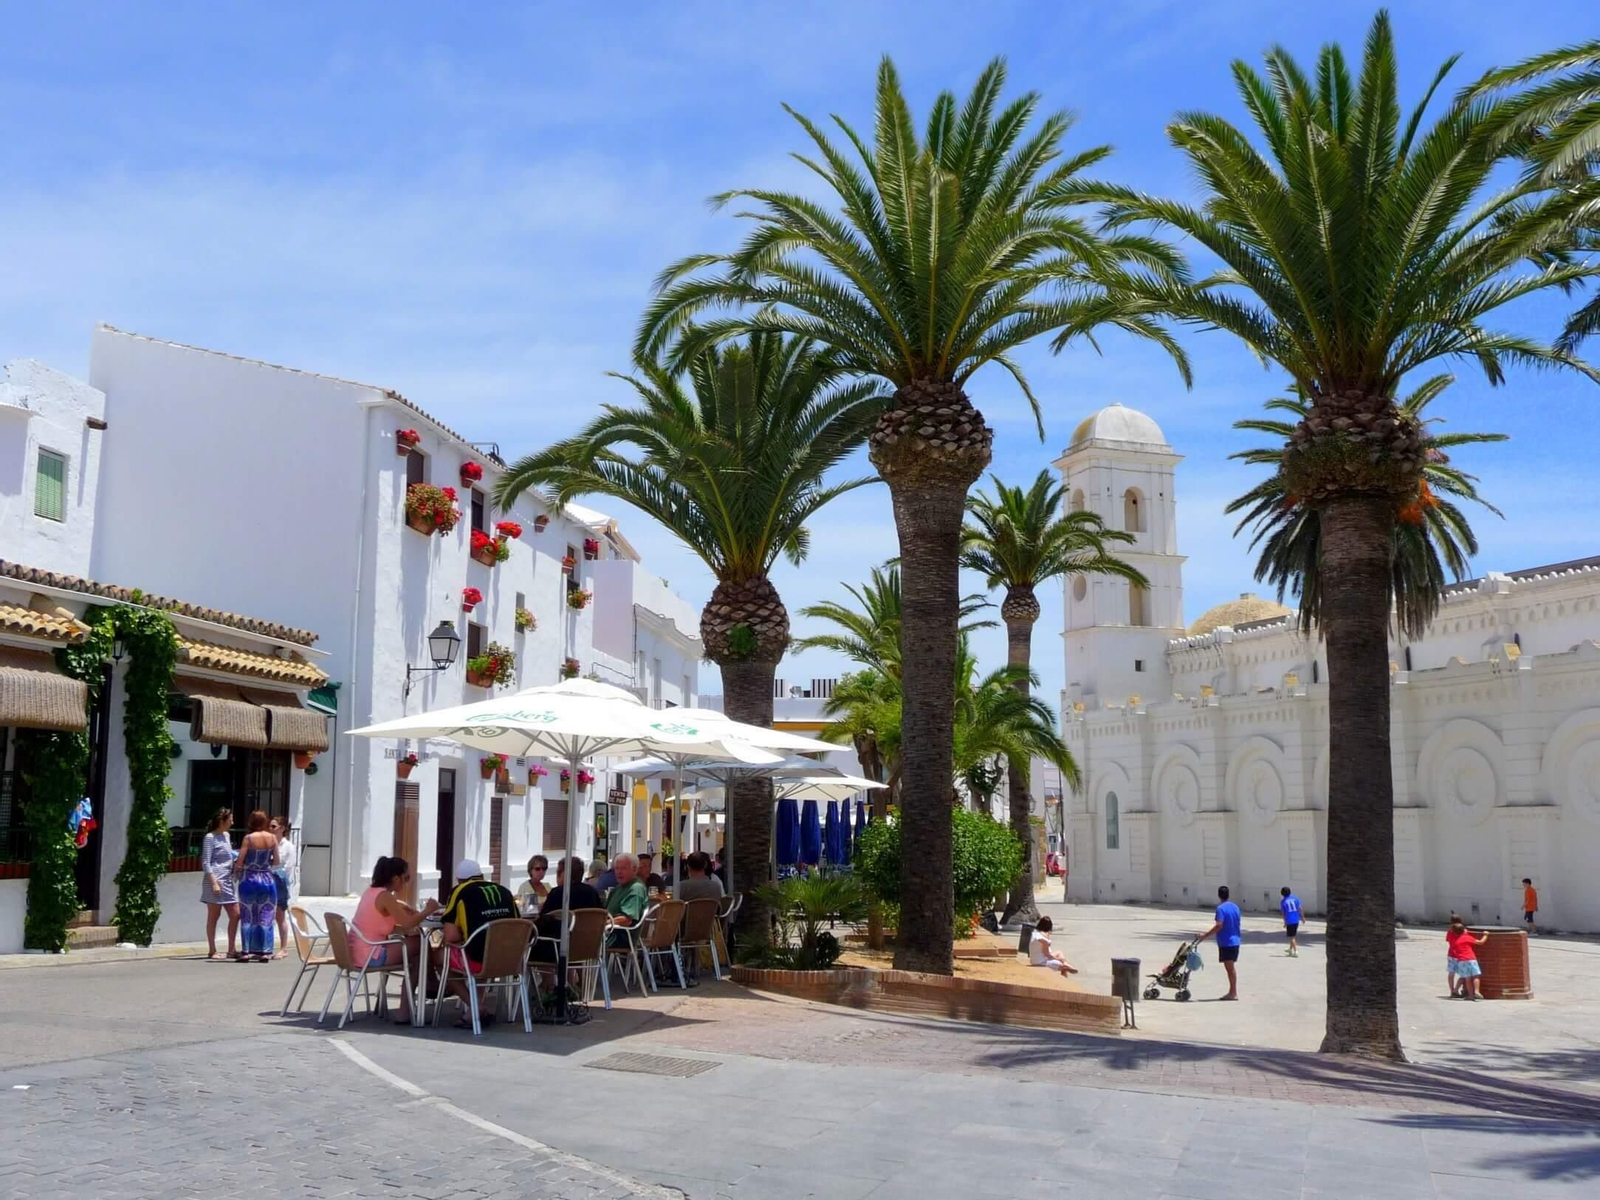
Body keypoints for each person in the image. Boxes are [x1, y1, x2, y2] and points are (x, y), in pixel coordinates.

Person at [350, 856, 439, 1024]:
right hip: (371, 954)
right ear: (395, 878)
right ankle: (429, 985)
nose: (406, 883)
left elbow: (390, 920)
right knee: (421, 943)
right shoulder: (385, 897)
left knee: (417, 955)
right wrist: (428, 911)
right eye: (406, 878)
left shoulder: (371, 892)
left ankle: (409, 1005)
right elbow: (406, 923)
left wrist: (403, 907)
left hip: (358, 952)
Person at [439, 859, 520, 1021]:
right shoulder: (504, 891)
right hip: (511, 960)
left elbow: (451, 937)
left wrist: (466, 933)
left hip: (479, 960)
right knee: (482, 948)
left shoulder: (459, 891)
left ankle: (476, 1006)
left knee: (442, 957)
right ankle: (473, 1011)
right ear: (481, 876)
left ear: (459, 880)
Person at [233, 811, 280, 962]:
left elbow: (240, 861)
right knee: (266, 916)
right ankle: (265, 951)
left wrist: (237, 872)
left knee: (247, 915)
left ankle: (246, 951)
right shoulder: (272, 838)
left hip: (249, 878)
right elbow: (277, 861)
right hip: (266, 879)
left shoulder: (248, 838)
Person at [200, 808, 240, 960]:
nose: (232, 822)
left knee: (236, 914)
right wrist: (214, 882)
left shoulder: (226, 835)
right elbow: (206, 862)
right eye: (230, 819)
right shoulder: (210, 837)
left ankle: (232, 948)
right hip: (215, 880)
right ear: (222, 821)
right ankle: (212, 950)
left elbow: (228, 856)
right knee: (214, 916)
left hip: (228, 879)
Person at [1198, 885, 1242, 1000]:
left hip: (1226, 942)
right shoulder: (1235, 907)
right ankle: (1232, 992)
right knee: (1231, 968)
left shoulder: (1220, 909)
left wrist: (1205, 936)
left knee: (1230, 968)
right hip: (1236, 940)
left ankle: (1233, 993)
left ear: (1219, 895)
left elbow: (1219, 925)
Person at [269, 816, 299, 959]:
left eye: (273, 826)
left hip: (279, 881)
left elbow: (288, 866)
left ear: (282, 829)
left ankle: (283, 947)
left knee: (280, 915)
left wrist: (277, 874)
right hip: (268, 879)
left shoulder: (288, 846)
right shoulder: (269, 843)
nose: (270, 829)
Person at [604, 852, 649, 945]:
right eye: (617, 868)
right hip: (609, 932)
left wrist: (602, 924)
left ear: (635, 870)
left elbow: (627, 920)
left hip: (620, 936)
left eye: (624, 868)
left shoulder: (636, 888)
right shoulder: (618, 888)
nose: (619, 872)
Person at [1447, 916, 1490, 1000]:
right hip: (1471, 959)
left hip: (1461, 961)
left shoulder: (1455, 942)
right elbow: (1480, 942)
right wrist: (1486, 935)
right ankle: (1477, 991)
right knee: (1476, 976)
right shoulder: (1467, 937)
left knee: (1466, 978)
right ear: (1464, 930)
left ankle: (1469, 995)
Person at [1279, 886, 1303, 957]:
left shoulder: (1283, 901)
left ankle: (1296, 951)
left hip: (1290, 920)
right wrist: (1303, 917)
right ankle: (1290, 949)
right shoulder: (1295, 898)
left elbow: (1284, 913)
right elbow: (1300, 908)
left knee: (1292, 937)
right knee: (1293, 935)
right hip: (1296, 919)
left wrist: (1285, 921)